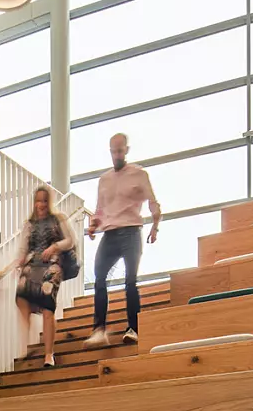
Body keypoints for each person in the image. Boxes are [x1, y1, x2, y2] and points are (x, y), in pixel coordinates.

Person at [86, 132, 161, 347]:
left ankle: (133, 328)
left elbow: (153, 203)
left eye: (120, 150)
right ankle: (99, 329)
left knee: (130, 280)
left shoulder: (139, 174)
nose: (116, 155)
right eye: (113, 151)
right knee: (99, 278)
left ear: (126, 150)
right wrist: (93, 225)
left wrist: (155, 227)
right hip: (110, 234)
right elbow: (100, 210)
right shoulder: (104, 179)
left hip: (131, 232)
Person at [15, 186, 76, 369]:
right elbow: (23, 247)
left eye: (43, 200)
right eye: (37, 200)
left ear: (49, 203)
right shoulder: (29, 224)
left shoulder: (59, 219)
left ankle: (49, 354)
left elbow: (70, 240)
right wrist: (20, 259)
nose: (40, 204)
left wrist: (54, 247)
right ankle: (25, 345)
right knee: (21, 298)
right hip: (32, 265)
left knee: (48, 307)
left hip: (52, 265)